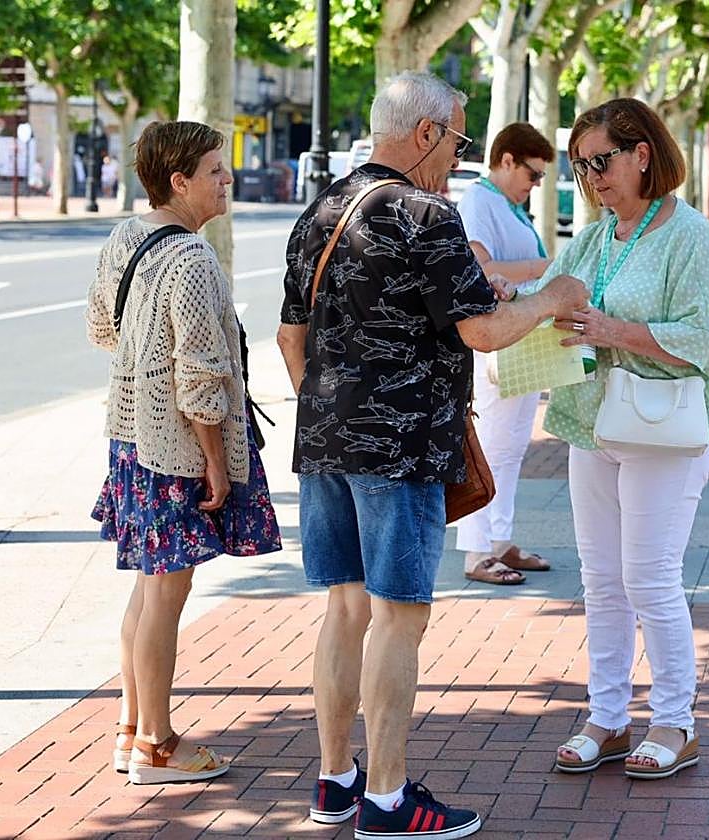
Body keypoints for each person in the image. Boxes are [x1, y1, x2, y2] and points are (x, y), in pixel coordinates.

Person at [275, 71, 587, 837]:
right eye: (456, 138)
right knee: (399, 620)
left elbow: (290, 337)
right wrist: (554, 297)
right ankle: (387, 798)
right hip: (403, 446)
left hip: (323, 443)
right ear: (424, 134)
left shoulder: (321, 209)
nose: (457, 155)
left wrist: (332, 411)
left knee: (345, 610)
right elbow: (481, 331)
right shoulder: (426, 215)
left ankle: (335, 781)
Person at [539, 98, 709, 780]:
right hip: (596, 421)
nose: (593, 177)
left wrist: (614, 333)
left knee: (649, 578)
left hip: (665, 426)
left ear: (642, 154)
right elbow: (550, 297)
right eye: (581, 166)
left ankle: (676, 720)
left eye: (601, 161)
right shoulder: (598, 236)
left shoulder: (688, 236)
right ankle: (608, 716)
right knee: (601, 581)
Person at [85, 120, 281, 784]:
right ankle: (158, 747)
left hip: (130, 435)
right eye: (216, 170)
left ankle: (131, 729)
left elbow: (101, 329)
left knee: (149, 587)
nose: (227, 180)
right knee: (167, 594)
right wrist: (217, 462)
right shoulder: (194, 260)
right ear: (180, 181)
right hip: (175, 449)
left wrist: (142, 372)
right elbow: (200, 380)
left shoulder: (125, 237)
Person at [454, 122, 555, 586]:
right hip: (495, 334)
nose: (535, 186)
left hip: (522, 333)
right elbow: (481, 267)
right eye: (532, 175)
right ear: (507, 160)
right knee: (491, 440)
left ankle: (499, 539)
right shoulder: (479, 201)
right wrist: (544, 269)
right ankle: (476, 551)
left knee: (512, 446)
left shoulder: (513, 208)